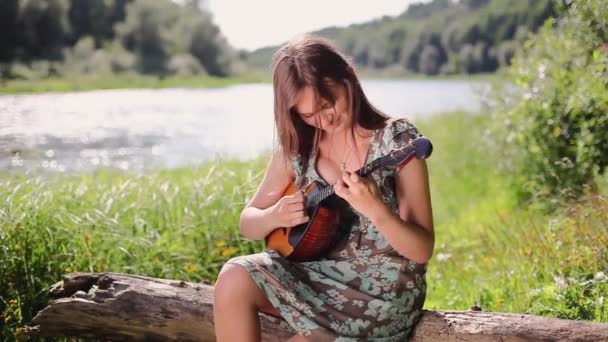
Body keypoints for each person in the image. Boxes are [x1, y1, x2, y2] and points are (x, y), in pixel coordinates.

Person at [213, 33, 434, 342]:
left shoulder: (397, 139)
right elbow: (248, 222)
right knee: (233, 277)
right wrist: (275, 215)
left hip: (381, 296)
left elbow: (422, 250)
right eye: (307, 114)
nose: (324, 120)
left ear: (347, 77)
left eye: (327, 104)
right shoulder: (298, 147)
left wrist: (376, 210)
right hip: (315, 277)